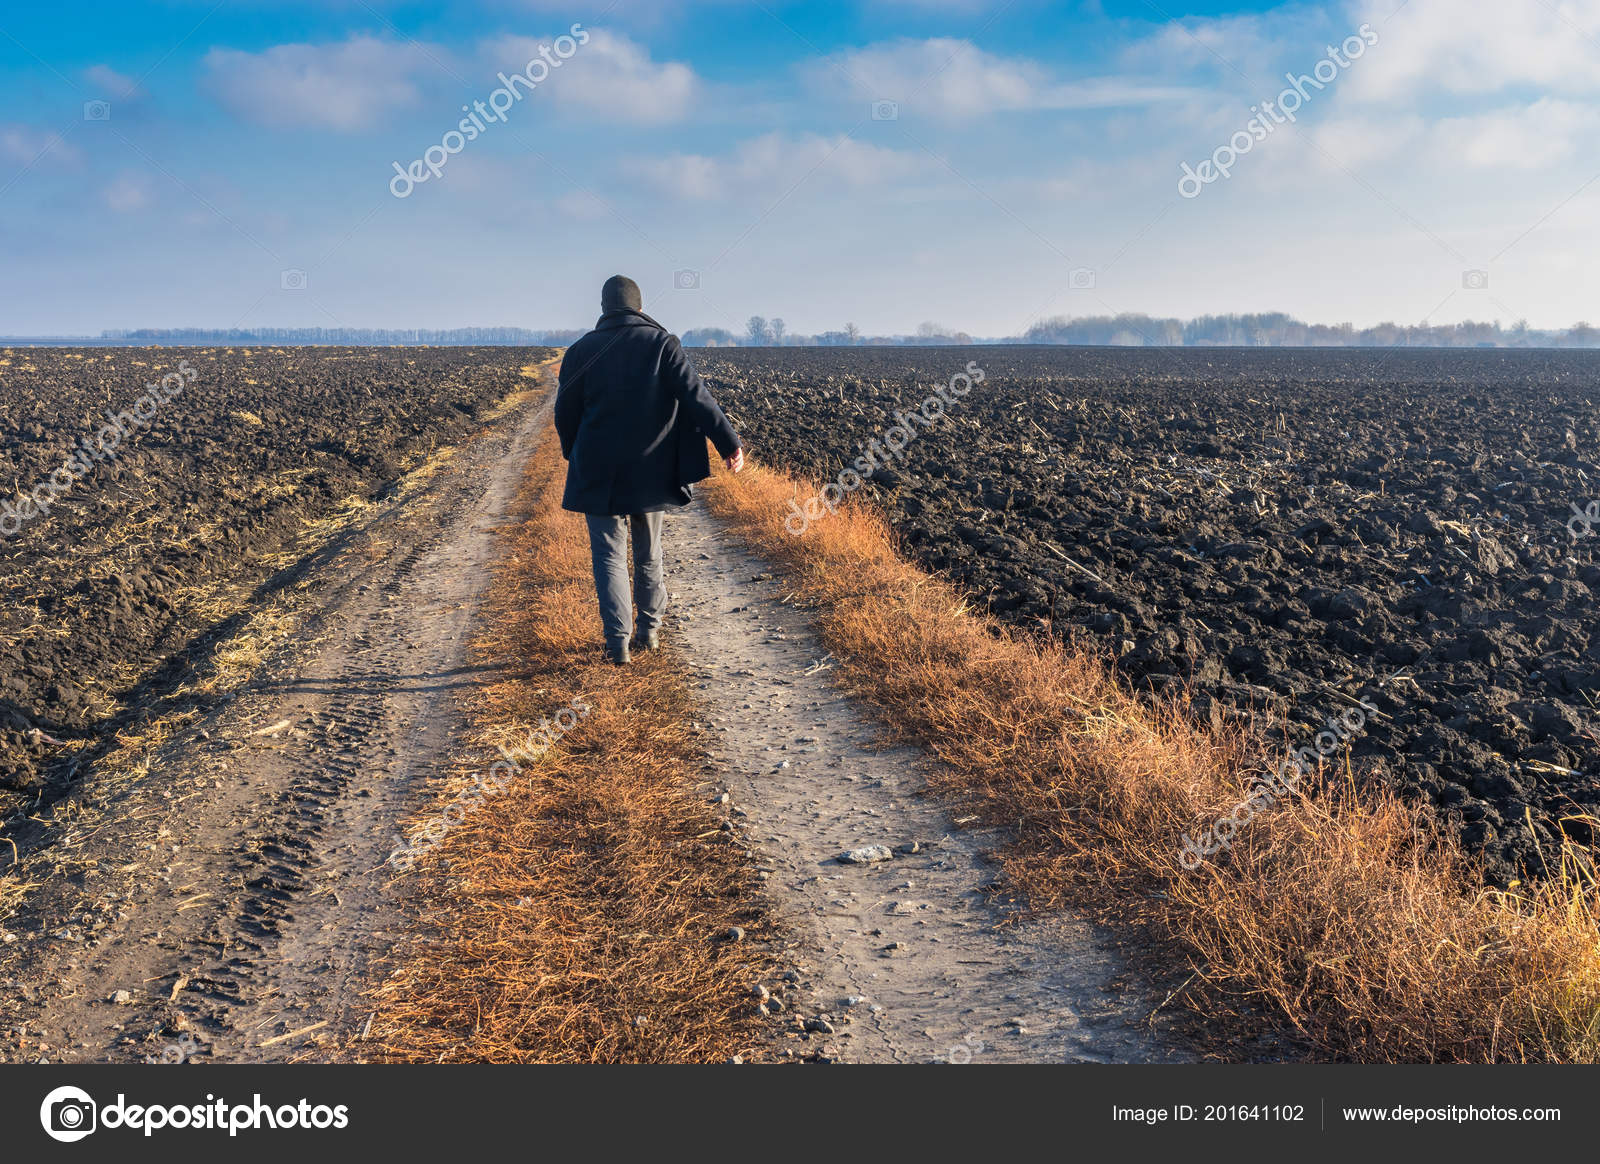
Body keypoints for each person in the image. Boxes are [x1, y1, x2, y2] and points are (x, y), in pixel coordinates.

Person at [554, 275, 745, 665]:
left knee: (607, 555)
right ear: (640, 308)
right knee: (648, 551)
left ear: (605, 309)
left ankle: (617, 644)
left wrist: (574, 452)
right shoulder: (661, 344)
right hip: (651, 467)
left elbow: (564, 412)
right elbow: (696, 396)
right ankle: (649, 631)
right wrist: (729, 443)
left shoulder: (580, 350)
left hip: (598, 468)